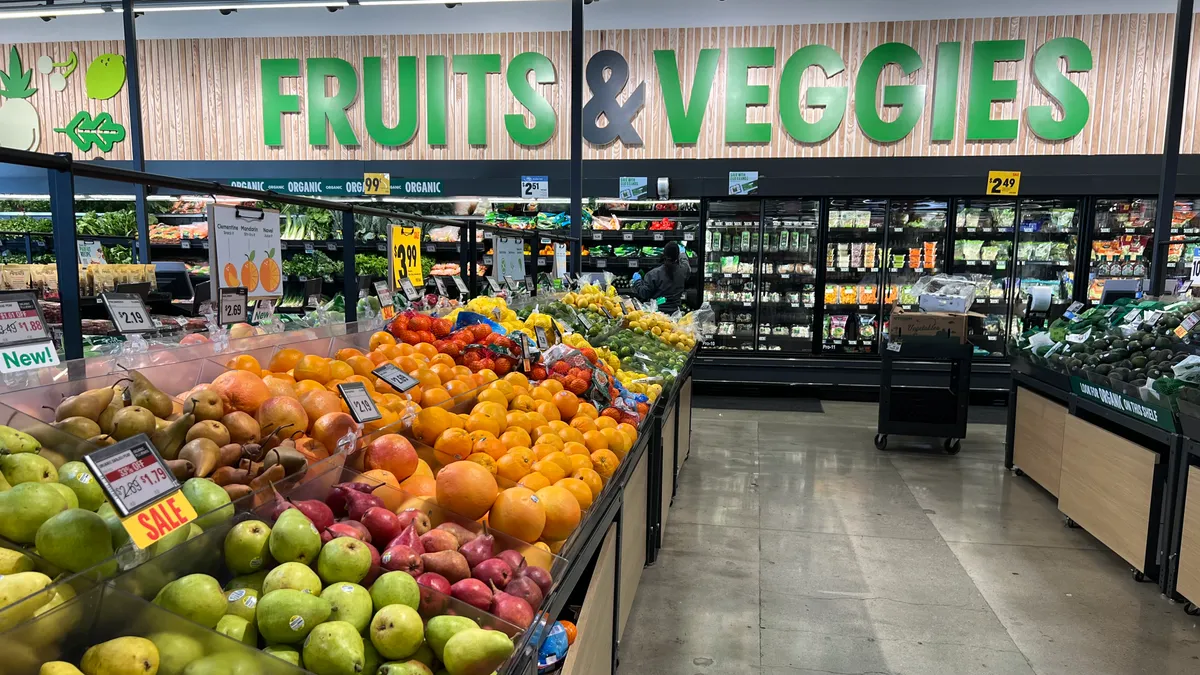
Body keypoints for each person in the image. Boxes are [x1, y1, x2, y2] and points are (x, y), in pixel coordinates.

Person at [629, 241, 690, 313]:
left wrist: (637, 281)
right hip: (676, 312)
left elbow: (644, 293)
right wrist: (683, 254)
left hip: (658, 315)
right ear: (677, 256)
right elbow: (686, 263)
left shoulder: (653, 274)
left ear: (664, 254)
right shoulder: (682, 271)